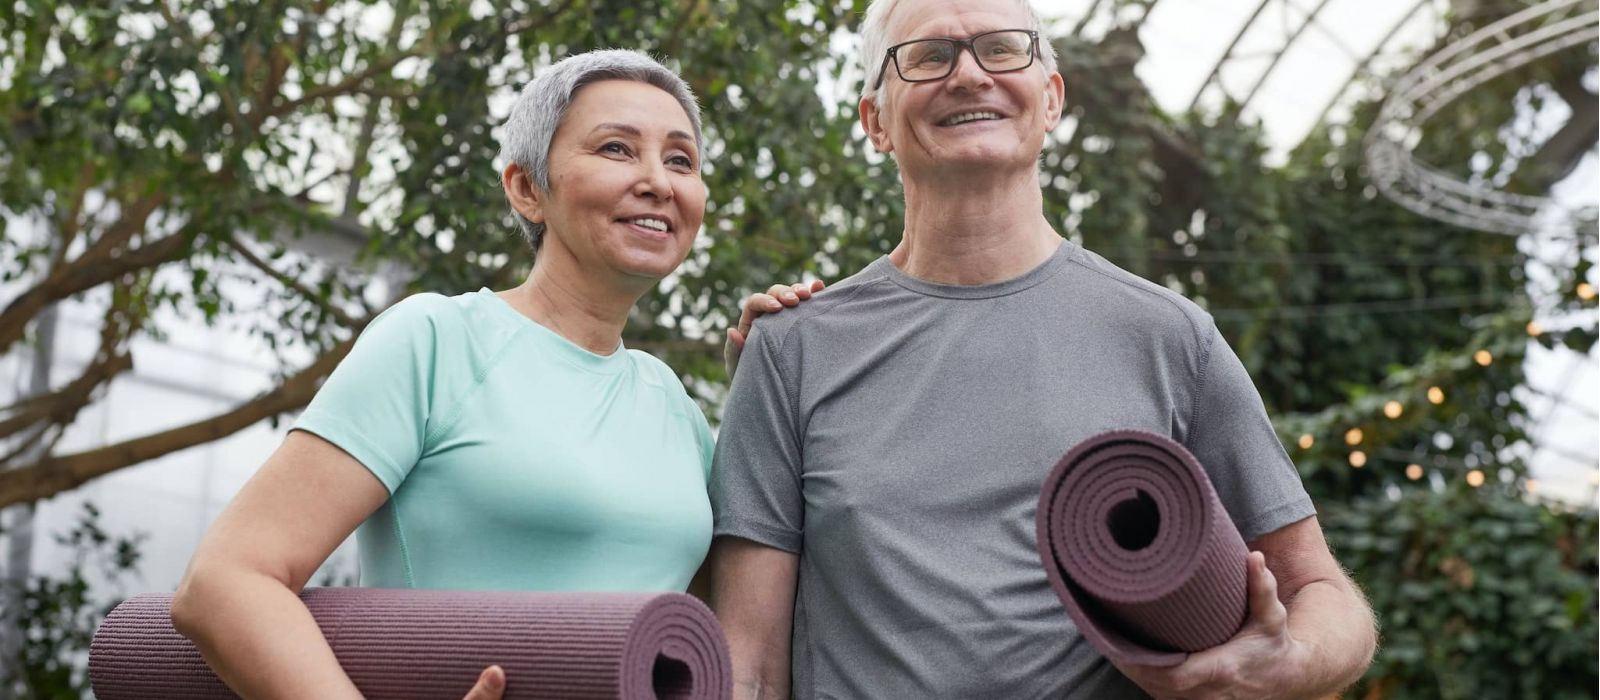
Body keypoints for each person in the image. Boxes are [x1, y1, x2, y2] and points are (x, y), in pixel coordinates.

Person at [708, 1, 1379, 698]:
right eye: (929, 57)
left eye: (1003, 49)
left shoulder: (1170, 336)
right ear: (875, 121)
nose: (969, 75)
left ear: (1051, 98)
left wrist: (1285, 663)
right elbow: (748, 666)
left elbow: (1325, 594)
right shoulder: (791, 349)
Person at [171, 49, 820, 700]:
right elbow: (225, 581)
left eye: (680, 160)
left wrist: (771, 388)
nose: (658, 180)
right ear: (527, 189)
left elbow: (713, 650)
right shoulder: (436, 341)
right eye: (617, 149)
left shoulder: (675, 407)